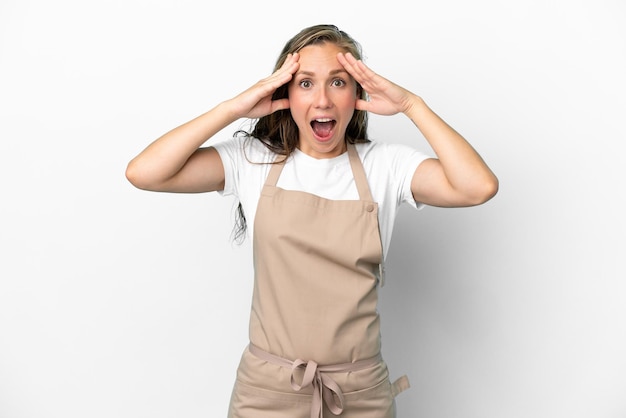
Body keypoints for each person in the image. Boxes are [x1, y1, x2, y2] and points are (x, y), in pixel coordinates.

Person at [126, 24, 498, 418]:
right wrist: (231, 108)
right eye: (305, 83)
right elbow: (145, 172)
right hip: (266, 393)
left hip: (359, 394)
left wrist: (412, 105)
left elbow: (478, 187)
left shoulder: (386, 166)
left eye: (338, 82)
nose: (322, 99)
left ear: (357, 93)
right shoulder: (252, 160)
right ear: (284, 93)